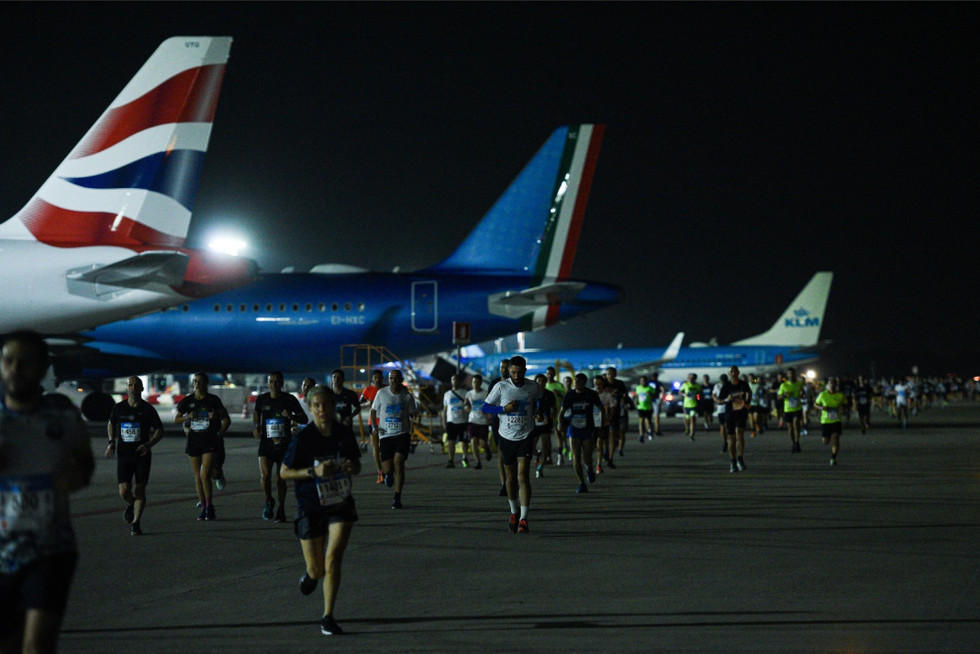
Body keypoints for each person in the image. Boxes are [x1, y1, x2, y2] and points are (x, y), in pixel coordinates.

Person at [0, 331, 94, 654]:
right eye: (8, 360)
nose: (15, 369)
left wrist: (74, 476)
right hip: (2, 549)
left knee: (38, 645)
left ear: (43, 369)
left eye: (25, 362)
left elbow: (85, 466)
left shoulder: (63, 416)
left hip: (50, 549)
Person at [280, 385, 361, 636]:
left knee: (333, 558)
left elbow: (357, 465)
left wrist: (350, 466)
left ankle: (328, 616)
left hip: (339, 501)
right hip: (310, 504)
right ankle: (310, 576)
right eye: (316, 406)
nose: (322, 410)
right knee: (317, 569)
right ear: (311, 407)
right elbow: (284, 473)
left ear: (332, 405)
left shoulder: (344, 434)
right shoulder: (304, 439)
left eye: (326, 404)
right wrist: (312, 472)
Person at [482, 355, 542, 533]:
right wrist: (503, 409)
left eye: (519, 372)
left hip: (526, 435)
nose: (516, 376)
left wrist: (538, 412)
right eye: (513, 372)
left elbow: (538, 399)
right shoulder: (501, 387)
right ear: (509, 371)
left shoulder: (533, 386)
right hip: (506, 437)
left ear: (525, 370)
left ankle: (524, 518)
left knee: (523, 476)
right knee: (510, 478)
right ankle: (514, 512)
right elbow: (485, 407)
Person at [106, 376, 164, 536]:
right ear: (127, 388)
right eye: (130, 385)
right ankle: (131, 504)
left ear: (142, 389)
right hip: (124, 454)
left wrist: (148, 445)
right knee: (124, 491)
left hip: (142, 455)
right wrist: (111, 442)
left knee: (140, 490)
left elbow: (160, 430)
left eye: (136, 385)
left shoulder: (147, 409)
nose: (133, 388)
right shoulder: (119, 408)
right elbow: (111, 423)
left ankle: (136, 523)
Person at [253, 371, 309, 522]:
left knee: (280, 478)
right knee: (264, 476)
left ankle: (281, 508)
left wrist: (291, 417)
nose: (274, 385)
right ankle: (268, 500)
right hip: (266, 443)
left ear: (282, 383)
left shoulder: (289, 400)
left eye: (277, 382)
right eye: (271, 381)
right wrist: (257, 426)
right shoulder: (262, 399)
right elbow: (256, 413)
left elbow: (303, 417)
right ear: (268, 383)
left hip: (284, 444)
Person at [175, 373, 231, 520]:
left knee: (204, 474)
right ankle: (204, 507)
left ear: (206, 383)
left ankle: (209, 507)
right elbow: (177, 419)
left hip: (209, 440)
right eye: (195, 381)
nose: (197, 384)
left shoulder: (213, 400)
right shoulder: (187, 401)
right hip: (194, 441)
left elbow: (226, 419)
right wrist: (187, 417)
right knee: (198, 477)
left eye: (200, 381)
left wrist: (219, 431)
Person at [370, 369, 417, 508]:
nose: (393, 380)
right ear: (388, 379)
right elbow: (373, 410)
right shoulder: (382, 393)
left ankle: (397, 497)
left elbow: (413, 413)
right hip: (385, 435)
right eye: (391, 378)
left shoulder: (407, 396)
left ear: (401, 379)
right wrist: (374, 426)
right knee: (388, 468)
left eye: (396, 378)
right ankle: (387, 475)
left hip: (402, 434)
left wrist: (413, 424)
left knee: (399, 462)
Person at [558, 373, 605, 493]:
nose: (576, 383)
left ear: (584, 382)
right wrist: (560, 424)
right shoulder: (570, 395)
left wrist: (601, 426)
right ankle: (582, 483)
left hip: (588, 428)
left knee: (587, 457)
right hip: (574, 429)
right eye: (575, 381)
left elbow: (601, 410)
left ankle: (589, 468)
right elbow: (561, 412)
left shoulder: (591, 394)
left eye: (578, 381)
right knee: (576, 457)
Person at [716, 366, 752, 473]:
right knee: (731, 438)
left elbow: (749, 392)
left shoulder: (743, 384)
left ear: (738, 372)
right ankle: (733, 460)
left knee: (739, 434)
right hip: (730, 414)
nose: (733, 373)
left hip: (741, 412)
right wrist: (728, 399)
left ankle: (740, 458)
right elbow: (719, 400)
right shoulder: (726, 386)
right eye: (731, 371)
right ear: (728, 373)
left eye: (735, 371)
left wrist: (747, 402)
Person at [487, 359, 510, 495]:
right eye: (502, 367)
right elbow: (489, 402)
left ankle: (513, 480)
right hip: (498, 423)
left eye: (507, 368)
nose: (504, 370)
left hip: (514, 423)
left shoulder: (516, 384)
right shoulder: (494, 383)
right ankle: (503, 484)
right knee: (501, 453)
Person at [358, 370, 385, 483]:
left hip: (386, 422)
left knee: (386, 448)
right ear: (372, 379)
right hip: (373, 422)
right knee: (376, 448)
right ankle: (380, 472)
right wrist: (368, 404)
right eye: (375, 377)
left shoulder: (386, 389)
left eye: (379, 377)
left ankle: (388, 469)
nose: (377, 379)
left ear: (382, 378)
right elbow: (359, 404)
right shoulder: (368, 390)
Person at [531, 374, 557, 478]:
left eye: (543, 381)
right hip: (534, 423)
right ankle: (538, 454)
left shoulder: (549, 394)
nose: (541, 383)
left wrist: (552, 415)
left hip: (546, 422)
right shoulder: (532, 394)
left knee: (545, 444)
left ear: (545, 383)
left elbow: (554, 407)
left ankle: (540, 467)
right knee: (530, 447)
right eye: (539, 381)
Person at [815, 378, 846, 465]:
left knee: (836, 437)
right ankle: (828, 443)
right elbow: (816, 404)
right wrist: (821, 408)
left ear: (836, 385)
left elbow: (846, 404)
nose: (832, 385)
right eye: (830, 383)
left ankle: (833, 457)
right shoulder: (822, 395)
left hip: (836, 420)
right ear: (827, 385)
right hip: (825, 421)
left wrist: (844, 408)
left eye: (834, 384)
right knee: (826, 441)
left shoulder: (840, 395)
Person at [442, 374, 471, 468]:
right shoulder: (447, 394)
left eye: (457, 379)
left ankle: (465, 458)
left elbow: (469, 406)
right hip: (451, 421)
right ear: (451, 381)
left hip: (463, 421)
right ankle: (450, 460)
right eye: (453, 379)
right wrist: (444, 421)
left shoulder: (465, 393)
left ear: (460, 381)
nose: (455, 381)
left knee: (464, 442)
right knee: (451, 441)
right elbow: (445, 410)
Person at [463, 374, 489, 469]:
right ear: (472, 383)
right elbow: (466, 405)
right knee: (473, 441)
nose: (475, 384)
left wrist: (486, 411)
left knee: (482, 444)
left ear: (481, 383)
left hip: (483, 421)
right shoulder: (469, 394)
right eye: (474, 382)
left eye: (478, 382)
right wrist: (467, 408)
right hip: (472, 420)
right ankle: (477, 462)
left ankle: (487, 448)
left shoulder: (485, 394)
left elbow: (490, 405)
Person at [543, 366, 567, 467]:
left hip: (557, 414)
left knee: (558, 434)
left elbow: (566, 398)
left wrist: (559, 394)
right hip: (546, 415)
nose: (550, 375)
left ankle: (560, 454)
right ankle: (548, 457)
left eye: (552, 373)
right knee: (547, 438)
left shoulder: (559, 385)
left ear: (555, 374)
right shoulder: (544, 385)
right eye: (548, 373)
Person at [777, 367, 805, 453]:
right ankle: (793, 443)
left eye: (792, 373)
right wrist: (784, 395)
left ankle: (797, 442)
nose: (791, 375)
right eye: (789, 373)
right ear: (787, 375)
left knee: (796, 423)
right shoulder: (784, 385)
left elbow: (803, 394)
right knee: (790, 427)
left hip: (797, 407)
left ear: (795, 374)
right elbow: (778, 396)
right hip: (788, 409)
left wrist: (802, 394)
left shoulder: (799, 384)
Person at [634, 375, 661, 442]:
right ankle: (641, 435)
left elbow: (655, 395)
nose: (643, 382)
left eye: (644, 381)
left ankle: (650, 431)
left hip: (648, 407)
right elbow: (636, 395)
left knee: (648, 421)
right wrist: (636, 401)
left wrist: (650, 395)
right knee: (641, 421)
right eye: (641, 381)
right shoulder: (638, 388)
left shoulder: (650, 388)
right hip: (640, 407)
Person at [711, 373, 729, 455]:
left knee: (728, 426)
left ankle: (730, 441)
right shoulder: (717, 386)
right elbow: (713, 394)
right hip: (720, 409)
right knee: (722, 427)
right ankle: (725, 442)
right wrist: (716, 400)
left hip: (729, 409)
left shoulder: (730, 386)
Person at [679, 373, 701, 440]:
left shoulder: (697, 386)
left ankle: (692, 434)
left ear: (695, 379)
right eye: (689, 378)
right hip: (686, 405)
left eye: (692, 378)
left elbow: (699, 395)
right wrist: (684, 394)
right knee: (687, 419)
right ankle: (687, 429)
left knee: (692, 419)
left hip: (693, 405)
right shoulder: (685, 385)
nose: (691, 379)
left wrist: (697, 398)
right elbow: (680, 392)